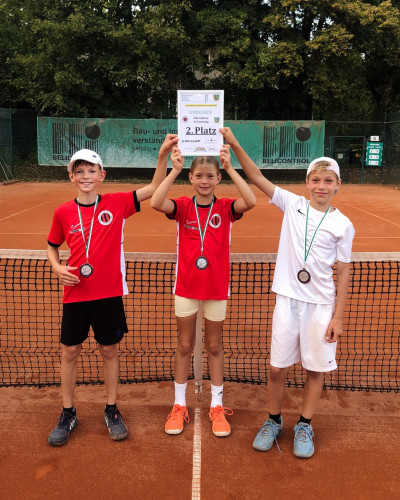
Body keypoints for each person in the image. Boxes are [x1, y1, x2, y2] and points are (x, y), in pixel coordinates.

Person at [220, 127, 355, 458]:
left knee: (315, 369)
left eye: (328, 181)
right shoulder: (292, 204)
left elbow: (344, 271)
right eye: (316, 180)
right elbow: (256, 177)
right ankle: (274, 420)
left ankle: (305, 425)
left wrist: (338, 316)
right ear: (307, 182)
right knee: (277, 368)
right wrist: (234, 145)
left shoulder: (343, 225)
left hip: (321, 306)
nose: (321, 186)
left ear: (337, 185)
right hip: (287, 301)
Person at [47, 136, 178, 446]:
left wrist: (163, 157)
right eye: (79, 171)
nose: (85, 176)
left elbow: (152, 188)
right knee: (70, 352)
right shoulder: (63, 212)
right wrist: (56, 266)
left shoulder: (117, 203)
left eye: (91, 171)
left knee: (109, 351)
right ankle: (68, 412)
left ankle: (112, 409)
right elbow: (52, 245)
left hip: (108, 295)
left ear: (101, 175)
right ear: (71, 176)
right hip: (75, 295)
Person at [151, 141, 256, 437]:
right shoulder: (183, 206)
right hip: (186, 286)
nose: (205, 181)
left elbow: (250, 201)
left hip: (216, 288)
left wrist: (230, 167)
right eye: (199, 176)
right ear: (191, 178)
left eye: (210, 176)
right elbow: (156, 202)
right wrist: (174, 170)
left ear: (218, 178)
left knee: (214, 346)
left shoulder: (226, 208)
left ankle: (217, 406)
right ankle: (179, 405)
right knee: (184, 346)